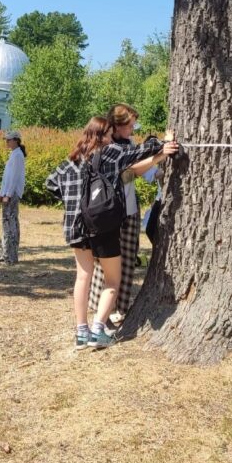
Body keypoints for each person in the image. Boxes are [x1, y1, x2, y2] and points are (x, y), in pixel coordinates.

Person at [45, 115, 178, 350]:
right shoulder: (111, 153)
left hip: (76, 226)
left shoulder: (73, 159)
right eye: (108, 133)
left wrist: (75, 200)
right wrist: (164, 143)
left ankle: (81, 332)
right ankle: (98, 330)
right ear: (102, 134)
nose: (111, 137)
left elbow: (51, 184)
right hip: (103, 225)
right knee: (113, 280)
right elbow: (138, 151)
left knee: (82, 278)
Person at [88, 104, 172, 328]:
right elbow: (129, 173)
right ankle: (101, 312)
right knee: (105, 265)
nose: (133, 128)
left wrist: (159, 169)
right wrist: (159, 155)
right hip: (111, 213)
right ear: (116, 125)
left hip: (130, 210)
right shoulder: (110, 149)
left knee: (127, 259)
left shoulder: (129, 144)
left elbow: (142, 170)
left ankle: (119, 308)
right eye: (130, 124)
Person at [0, 130, 26, 264]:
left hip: (12, 195)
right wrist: (0, 193)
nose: (7, 142)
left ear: (16, 140)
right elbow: (6, 179)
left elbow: (14, 178)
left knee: (10, 224)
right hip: (7, 194)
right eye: (6, 140)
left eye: (9, 139)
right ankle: (6, 254)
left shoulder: (18, 155)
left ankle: (11, 257)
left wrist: (8, 195)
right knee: (6, 224)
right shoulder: (13, 154)